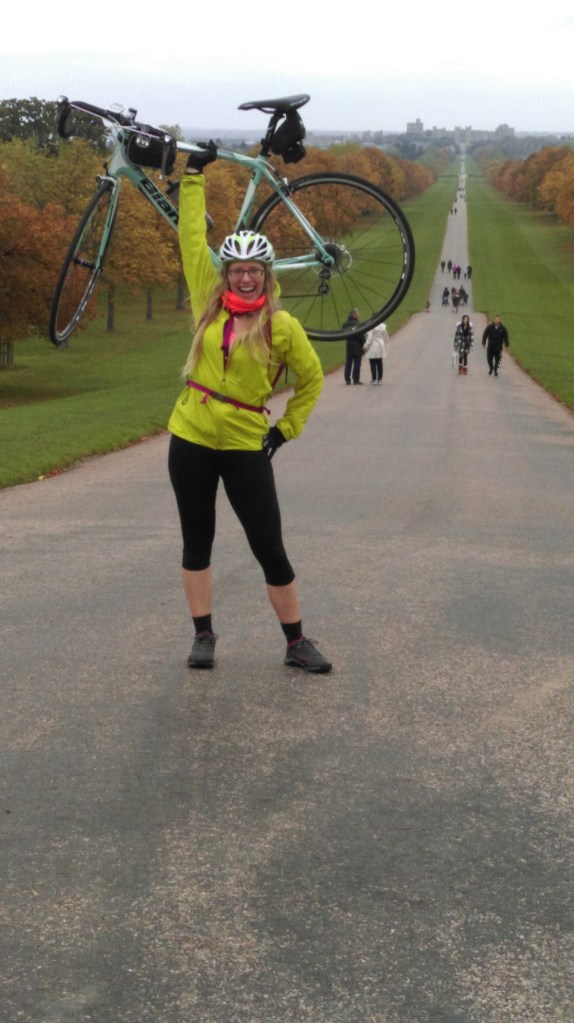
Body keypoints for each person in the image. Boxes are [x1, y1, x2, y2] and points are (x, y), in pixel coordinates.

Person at [167, 142, 332, 673]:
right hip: (190, 437)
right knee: (198, 541)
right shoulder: (205, 302)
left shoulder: (281, 327)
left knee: (269, 546)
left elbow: (310, 381)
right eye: (236, 268)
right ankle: (203, 635)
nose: (243, 277)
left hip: (244, 444)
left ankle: (296, 642)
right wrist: (192, 177)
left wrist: (285, 430)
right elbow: (191, 239)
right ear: (226, 272)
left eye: (253, 270)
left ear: (267, 275)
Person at [342, 309, 366, 385]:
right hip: (357, 346)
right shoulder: (358, 324)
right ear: (354, 315)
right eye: (358, 314)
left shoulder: (345, 324)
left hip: (349, 346)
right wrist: (364, 343)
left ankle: (347, 380)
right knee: (357, 363)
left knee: (348, 363)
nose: (359, 315)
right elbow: (361, 336)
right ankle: (356, 379)